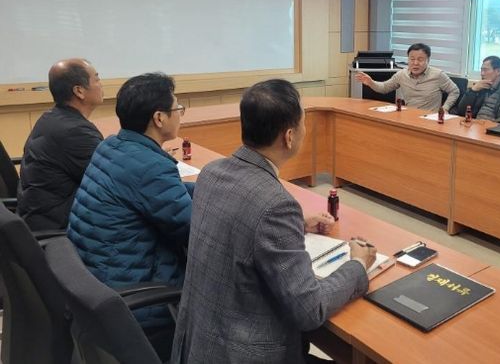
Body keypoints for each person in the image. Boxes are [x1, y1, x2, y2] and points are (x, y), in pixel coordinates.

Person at [172, 79, 376, 364]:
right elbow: (310, 310)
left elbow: (243, 225)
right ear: (289, 136)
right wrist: (358, 265)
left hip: (198, 346)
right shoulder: (276, 205)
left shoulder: (211, 173)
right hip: (244, 353)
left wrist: (298, 225)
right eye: (304, 123)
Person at [68, 72, 193, 358]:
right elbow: (197, 231)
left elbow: (167, 194)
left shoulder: (111, 146)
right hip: (139, 303)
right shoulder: (150, 167)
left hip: (100, 286)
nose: (180, 114)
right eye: (177, 108)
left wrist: (210, 189)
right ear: (159, 118)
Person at [18, 58, 104, 230]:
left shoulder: (52, 117)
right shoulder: (76, 132)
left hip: (39, 214)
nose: (101, 84)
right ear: (79, 91)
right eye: (97, 79)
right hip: (59, 226)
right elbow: (113, 182)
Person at [354, 43, 459, 111]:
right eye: (412, 59)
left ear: (428, 60)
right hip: (410, 117)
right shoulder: (402, 74)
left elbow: (454, 91)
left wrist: (445, 108)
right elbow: (384, 88)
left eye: (420, 59)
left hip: (430, 119)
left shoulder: (438, 75)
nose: (415, 63)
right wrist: (371, 82)